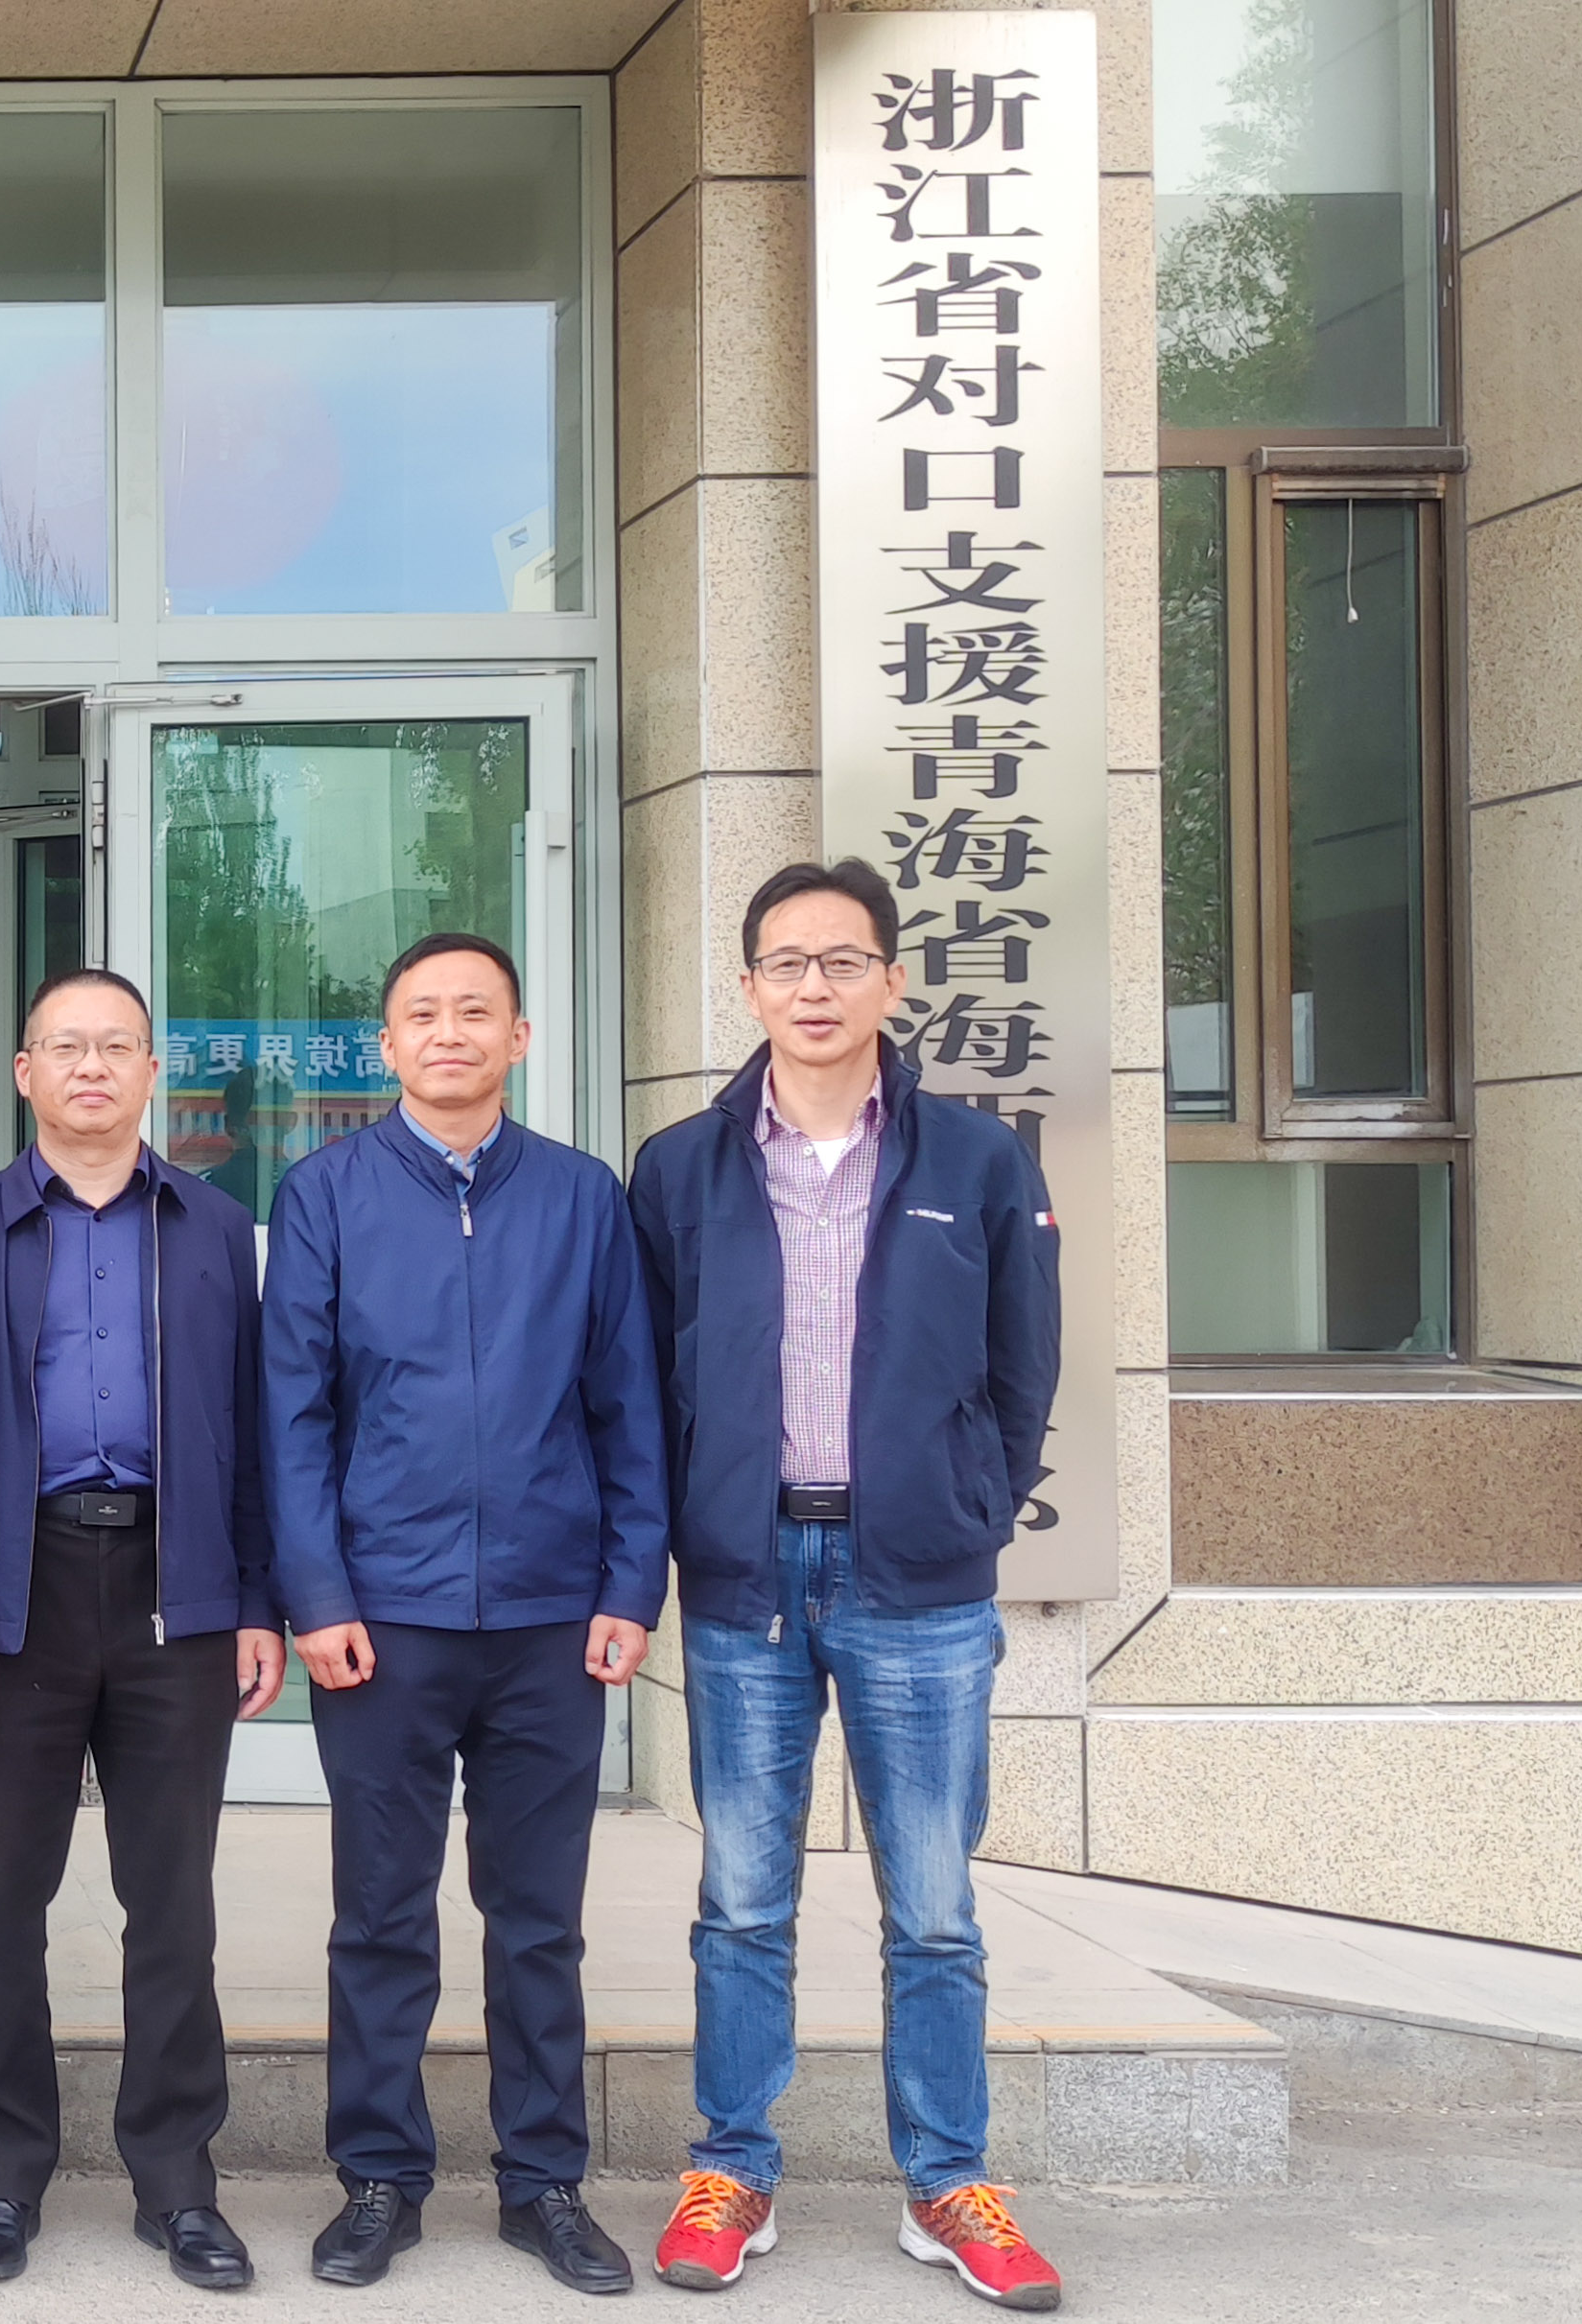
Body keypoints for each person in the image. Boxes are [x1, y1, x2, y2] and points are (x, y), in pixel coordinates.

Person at [626, 859, 1065, 2311]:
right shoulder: (681, 1167)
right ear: (750, 985)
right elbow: (648, 1375)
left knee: (932, 1905)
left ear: (890, 979)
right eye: (786, 964)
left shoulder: (976, 1161)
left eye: (841, 961)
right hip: (746, 1573)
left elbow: (1024, 1364)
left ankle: (948, 2182)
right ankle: (731, 2168)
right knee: (742, 1900)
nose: (813, 988)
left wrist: (968, 1504)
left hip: (918, 1582)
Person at [262, 931, 666, 2295]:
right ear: (385, 1046)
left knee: (537, 1917)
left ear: (520, 1037)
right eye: (423, 1015)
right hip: (384, 1618)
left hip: (553, 1617)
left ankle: (544, 2182)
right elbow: (294, 1413)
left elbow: (629, 1404)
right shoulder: (324, 1193)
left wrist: (629, 1584)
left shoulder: (582, 1196)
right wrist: (316, 1593)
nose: (450, 1033)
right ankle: (379, 2176)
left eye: (476, 1012)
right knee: (381, 1913)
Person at [0, 968, 285, 2293]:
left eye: (115, 1046)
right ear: (24, 1072)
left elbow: (252, 1426)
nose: (90, 1068)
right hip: (16, 1591)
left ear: (150, 1071)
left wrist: (256, 1597)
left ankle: (177, 2182)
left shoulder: (215, 1227)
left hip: (180, 1588)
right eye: (64, 1047)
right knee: (4, 1895)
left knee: (171, 1899)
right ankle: (1, 2176)